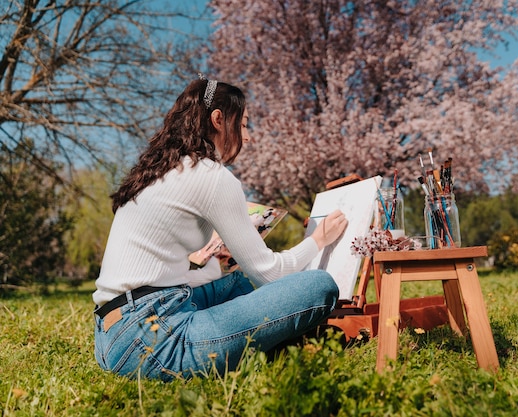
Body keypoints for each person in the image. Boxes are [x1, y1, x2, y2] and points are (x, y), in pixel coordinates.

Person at [93, 76, 348, 380]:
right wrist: (318, 240)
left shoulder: (157, 170)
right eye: (243, 125)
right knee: (318, 286)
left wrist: (216, 264)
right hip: (154, 341)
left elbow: (156, 275)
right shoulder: (212, 176)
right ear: (218, 120)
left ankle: (271, 346)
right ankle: (281, 344)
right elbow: (270, 274)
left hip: (112, 335)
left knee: (232, 284)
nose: (248, 136)